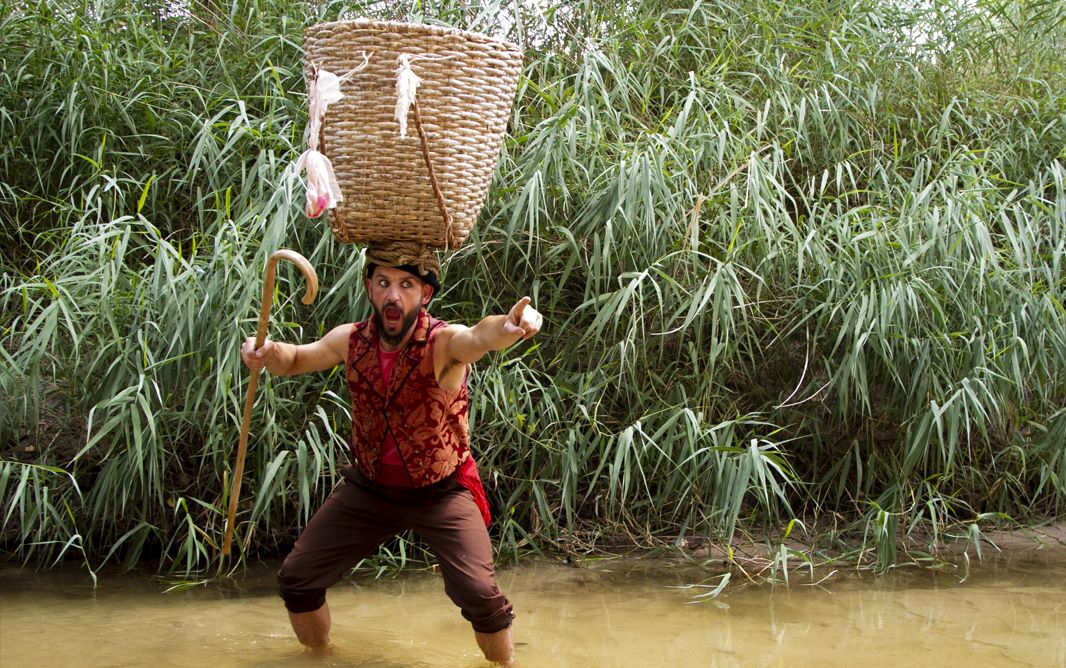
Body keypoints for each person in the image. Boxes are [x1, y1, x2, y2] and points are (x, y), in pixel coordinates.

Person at [240, 254, 542, 665]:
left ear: (425, 294)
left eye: (406, 285)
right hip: (371, 489)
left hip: (441, 492)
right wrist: (267, 351)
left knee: (478, 594)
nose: (393, 295)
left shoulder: (442, 343)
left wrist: (507, 328)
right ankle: (320, 658)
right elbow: (294, 359)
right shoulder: (351, 340)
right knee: (296, 579)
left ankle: (505, 665)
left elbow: (478, 337)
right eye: (383, 283)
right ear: (369, 290)